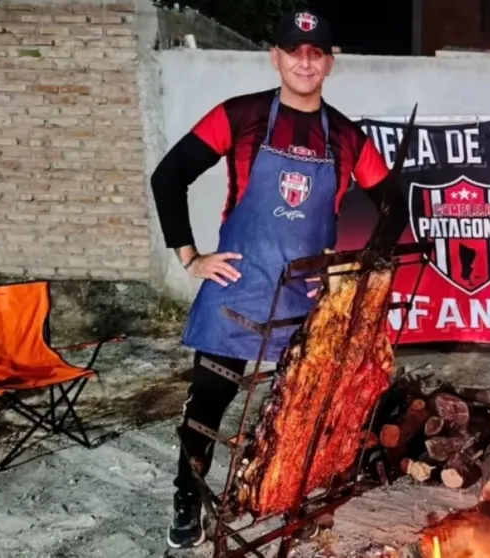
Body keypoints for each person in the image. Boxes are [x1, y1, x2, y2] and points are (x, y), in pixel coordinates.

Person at [150, 10, 408, 550]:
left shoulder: (346, 136)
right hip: (238, 288)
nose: (305, 62)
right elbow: (169, 175)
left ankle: (290, 493)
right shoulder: (239, 115)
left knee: (303, 408)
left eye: (316, 53)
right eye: (295, 51)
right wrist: (190, 258)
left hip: (305, 299)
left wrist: (350, 271)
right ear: (276, 57)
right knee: (208, 402)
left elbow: (396, 206)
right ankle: (187, 495)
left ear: (330, 63)